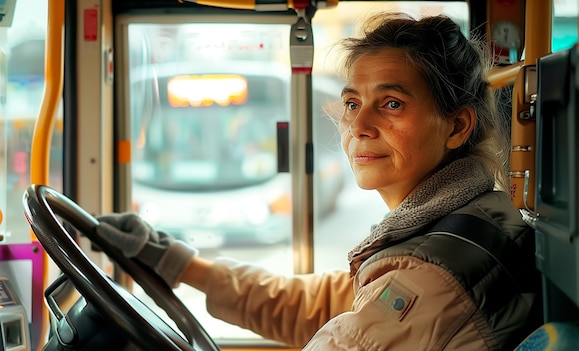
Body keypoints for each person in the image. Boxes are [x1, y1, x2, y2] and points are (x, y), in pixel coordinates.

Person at [96, 12, 541, 350]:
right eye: (352, 104)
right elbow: (318, 302)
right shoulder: (465, 220)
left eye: (390, 104)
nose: (359, 125)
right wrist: (178, 263)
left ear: (457, 127)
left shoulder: (428, 275)